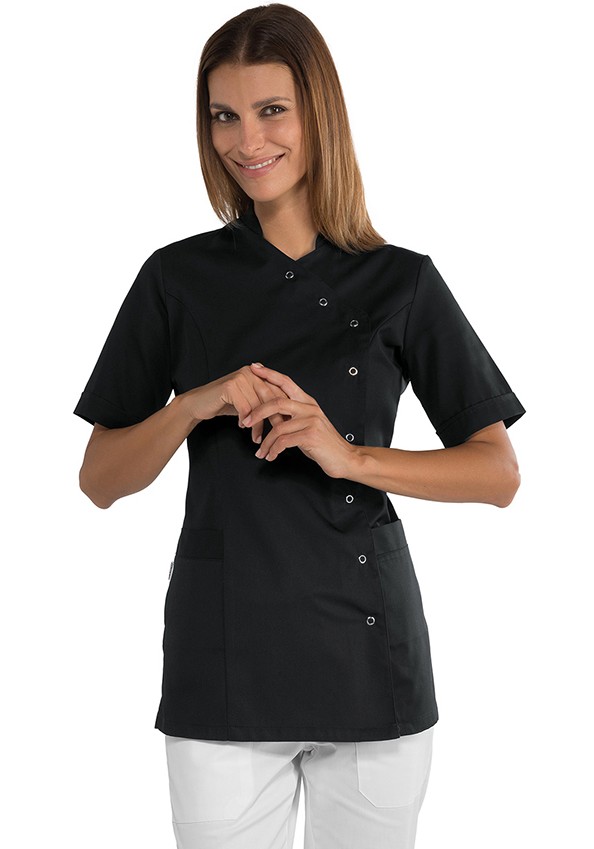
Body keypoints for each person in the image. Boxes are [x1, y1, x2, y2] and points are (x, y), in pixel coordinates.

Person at [74, 4, 525, 847]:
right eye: (224, 115)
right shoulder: (176, 278)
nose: (247, 141)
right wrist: (193, 403)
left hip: (369, 655)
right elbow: (99, 479)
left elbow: (497, 472)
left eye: (272, 110)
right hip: (223, 657)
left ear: (319, 113)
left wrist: (347, 454)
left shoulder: (401, 282)